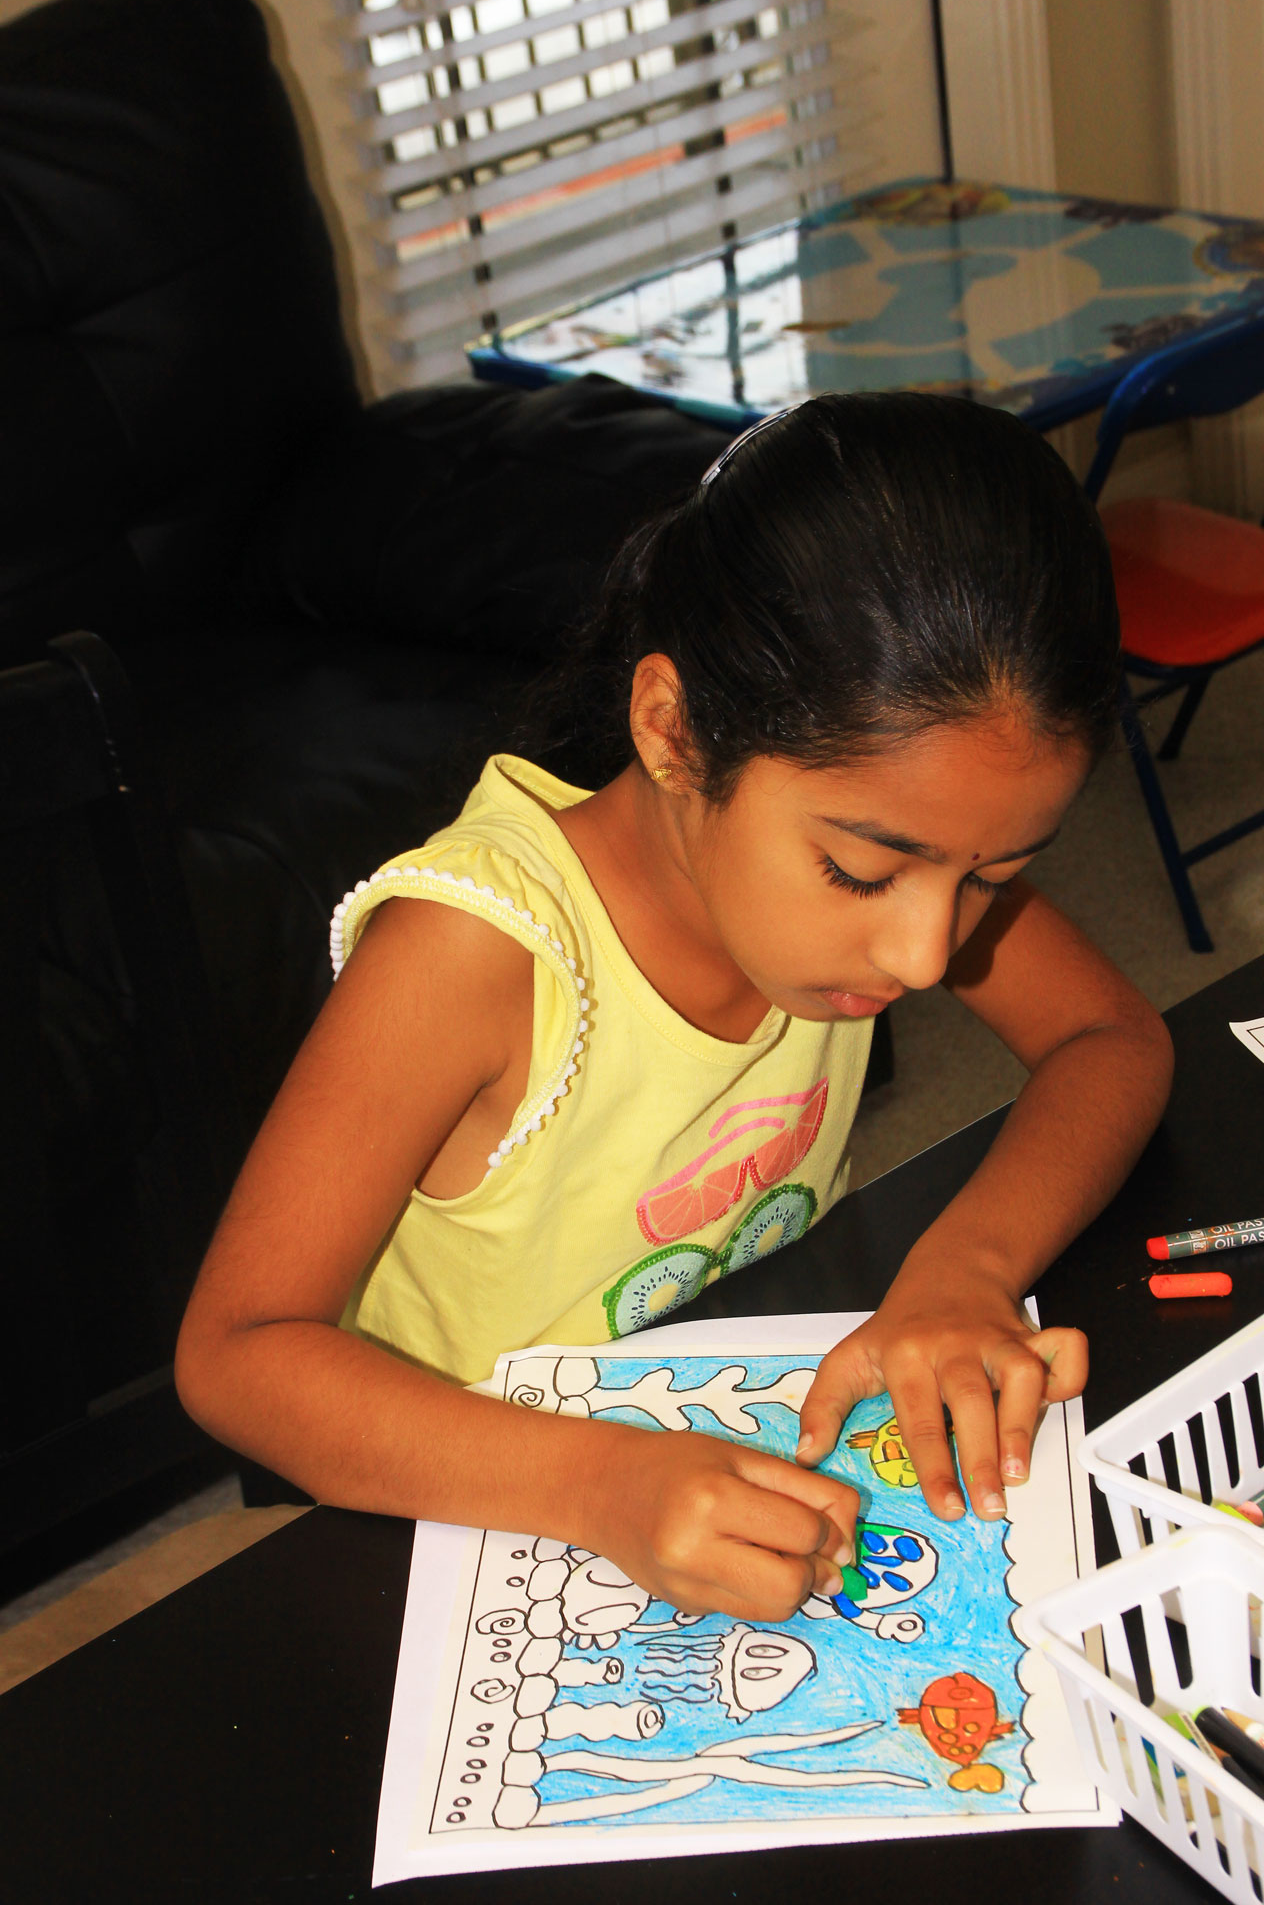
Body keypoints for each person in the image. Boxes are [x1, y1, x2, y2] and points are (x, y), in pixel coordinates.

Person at [176, 392, 1173, 1622]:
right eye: (859, 872)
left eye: (991, 875)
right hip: (477, 1514)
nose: (925, 955)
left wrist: (962, 1273)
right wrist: (604, 1485)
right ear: (672, 730)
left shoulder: (902, 851)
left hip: (730, 1420)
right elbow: (236, 1354)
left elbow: (1109, 1037)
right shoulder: (476, 950)